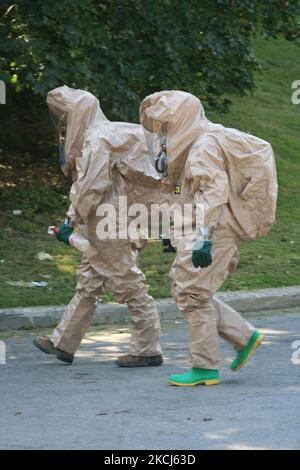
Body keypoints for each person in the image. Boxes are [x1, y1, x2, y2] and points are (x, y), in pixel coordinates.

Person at [139, 90, 277, 386]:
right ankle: (244, 336)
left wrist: (203, 237)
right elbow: (180, 189)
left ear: (181, 119)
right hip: (204, 227)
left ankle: (205, 367)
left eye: (165, 125)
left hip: (214, 229)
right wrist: (171, 223)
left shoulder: (203, 147)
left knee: (192, 294)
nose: (161, 133)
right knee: (185, 289)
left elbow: (213, 193)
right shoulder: (187, 149)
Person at [33, 86, 166, 367]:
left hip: (110, 221)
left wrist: (70, 220)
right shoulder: (110, 132)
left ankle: (148, 348)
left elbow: (90, 186)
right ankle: (63, 342)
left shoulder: (98, 139)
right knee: (89, 281)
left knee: (128, 281)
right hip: (111, 216)